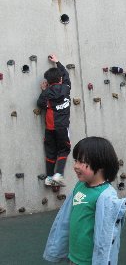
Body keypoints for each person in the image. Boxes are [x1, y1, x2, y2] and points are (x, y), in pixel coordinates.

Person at [43, 137, 126, 265]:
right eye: (75, 160)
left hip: (89, 260)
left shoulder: (106, 195)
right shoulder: (80, 186)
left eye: (81, 161)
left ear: (100, 164)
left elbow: (106, 233)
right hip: (73, 256)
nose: (75, 166)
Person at [37, 54, 71, 186]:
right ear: (61, 79)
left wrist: (43, 91)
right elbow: (66, 75)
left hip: (50, 127)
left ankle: (49, 177)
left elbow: (40, 103)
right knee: (64, 149)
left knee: (50, 152)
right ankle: (59, 175)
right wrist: (58, 62)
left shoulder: (47, 92)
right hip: (62, 126)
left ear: (48, 82)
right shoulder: (66, 88)